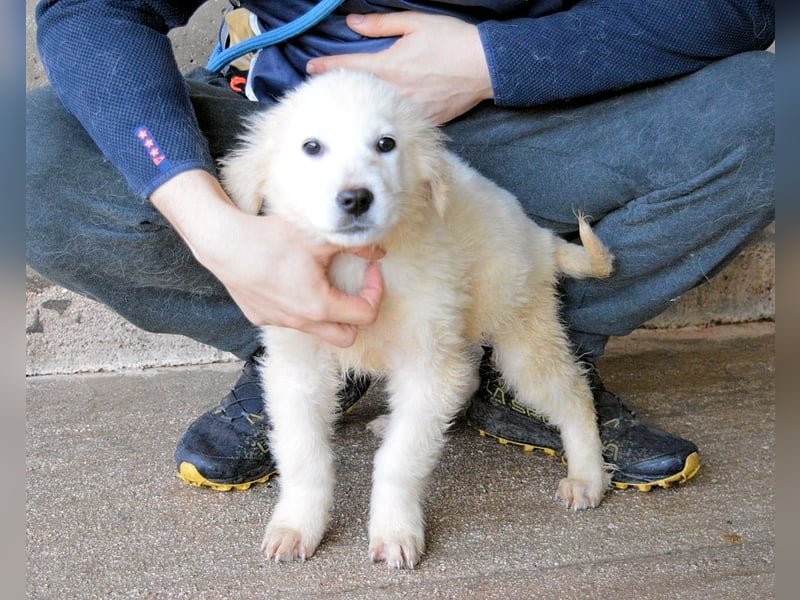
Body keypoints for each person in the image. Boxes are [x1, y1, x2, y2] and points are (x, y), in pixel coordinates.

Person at [27, 0, 775, 493]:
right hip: (295, 126)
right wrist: (213, 228)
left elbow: (742, 8)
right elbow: (91, 8)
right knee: (24, 154)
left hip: (546, 120)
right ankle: (314, 336)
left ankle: (516, 354)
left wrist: (496, 60)